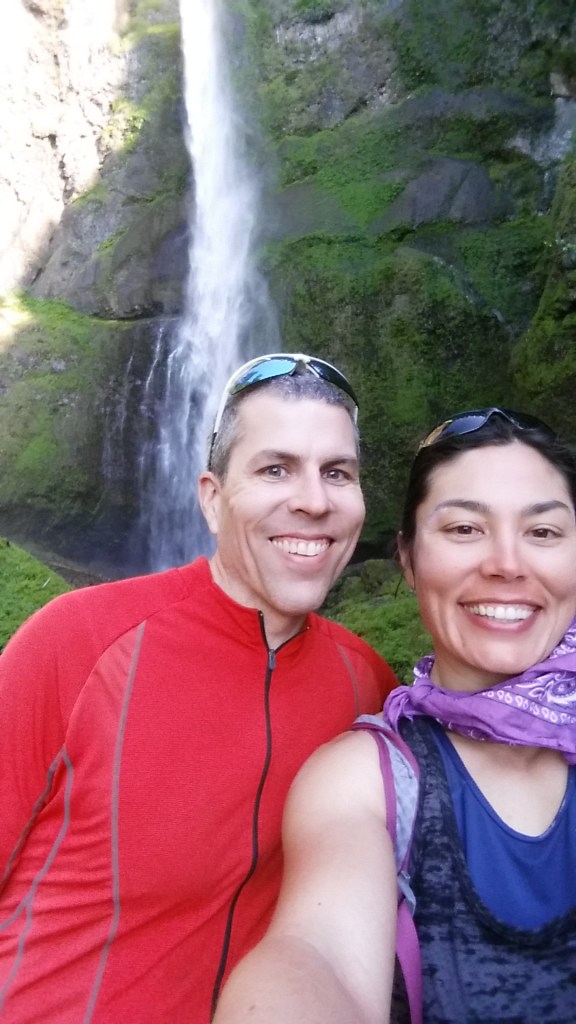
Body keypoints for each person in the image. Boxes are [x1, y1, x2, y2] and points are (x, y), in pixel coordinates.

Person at [0, 353, 396, 1023]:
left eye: (337, 473)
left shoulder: (367, 687)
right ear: (212, 498)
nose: (313, 499)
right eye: (275, 469)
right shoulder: (76, 642)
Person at [213, 406, 576, 1024]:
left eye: (543, 533)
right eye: (464, 529)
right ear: (407, 559)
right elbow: (313, 955)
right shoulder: (369, 781)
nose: (507, 564)